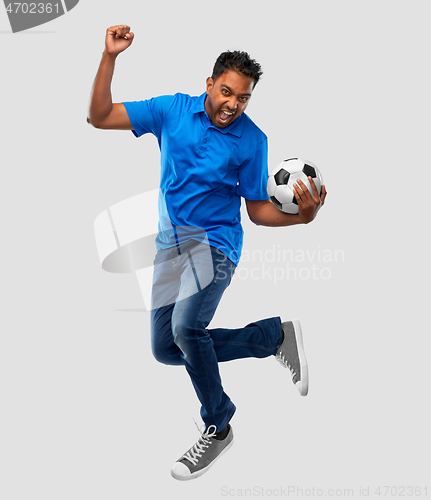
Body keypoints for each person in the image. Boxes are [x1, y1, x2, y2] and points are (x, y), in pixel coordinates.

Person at [87, 25, 327, 481]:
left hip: (215, 245)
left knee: (185, 327)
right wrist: (109, 56)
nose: (233, 105)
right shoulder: (170, 111)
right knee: (166, 349)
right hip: (169, 248)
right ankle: (273, 337)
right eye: (226, 92)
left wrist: (302, 219)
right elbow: (98, 116)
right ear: (209, 84)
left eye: (244, 98)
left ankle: (217, 424)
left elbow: (257, 210)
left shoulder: (252, 140)